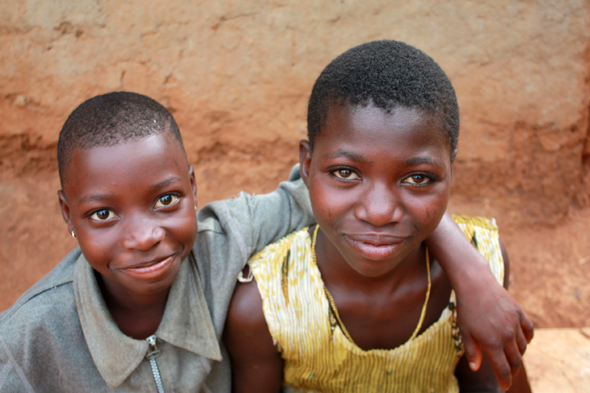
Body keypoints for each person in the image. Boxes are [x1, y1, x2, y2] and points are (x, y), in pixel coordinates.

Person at [0, 91, 529, 392]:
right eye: (102, 213)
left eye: (166, 201)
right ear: (68, 214)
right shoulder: (26, 341)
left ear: (192, 186)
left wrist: (474, 274)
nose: (143, 237)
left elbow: (366, 201)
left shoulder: (229, 237)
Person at [224, 40, 531, 392]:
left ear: (450, 170)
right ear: (307, 166)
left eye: (418, 178)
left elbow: (491, 385)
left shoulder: (484, 268)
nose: (380, 212)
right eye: (345, 173)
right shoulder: (265, 303)